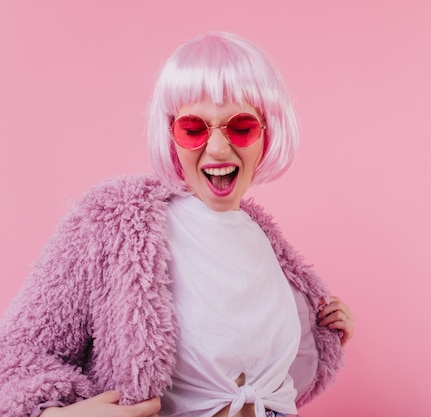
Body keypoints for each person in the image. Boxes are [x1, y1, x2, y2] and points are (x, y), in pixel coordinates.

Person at [0, 32, 354, 417]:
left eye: (241, 127)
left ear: (267, 133)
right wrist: (54, 415)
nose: (218, 149)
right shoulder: (116, 222)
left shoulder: (265, 241)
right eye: (194, 129)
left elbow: (274, 370)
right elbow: (17, 350)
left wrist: (324, 331)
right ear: (172, 136)